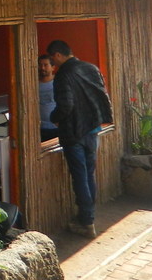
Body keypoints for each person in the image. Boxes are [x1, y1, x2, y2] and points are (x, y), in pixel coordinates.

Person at [47, 39, 113, 239]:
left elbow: (66, 105)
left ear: (58, 55)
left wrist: (54, 118)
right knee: (89, 174)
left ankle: (86, 222)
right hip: (92, 129)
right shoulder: (91, 68)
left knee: (80, 176)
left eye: (52, 58)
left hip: (73, 132)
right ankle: (89, 217)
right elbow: (102, 95)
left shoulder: (63, 75)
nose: (52, 62)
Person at [38, 54, 59, 142]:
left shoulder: (59, 82)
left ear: (53, 67)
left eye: (46, 65)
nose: (42, 68)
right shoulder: (33, 84)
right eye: (40, 65)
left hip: (56, 127)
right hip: (39, 128)